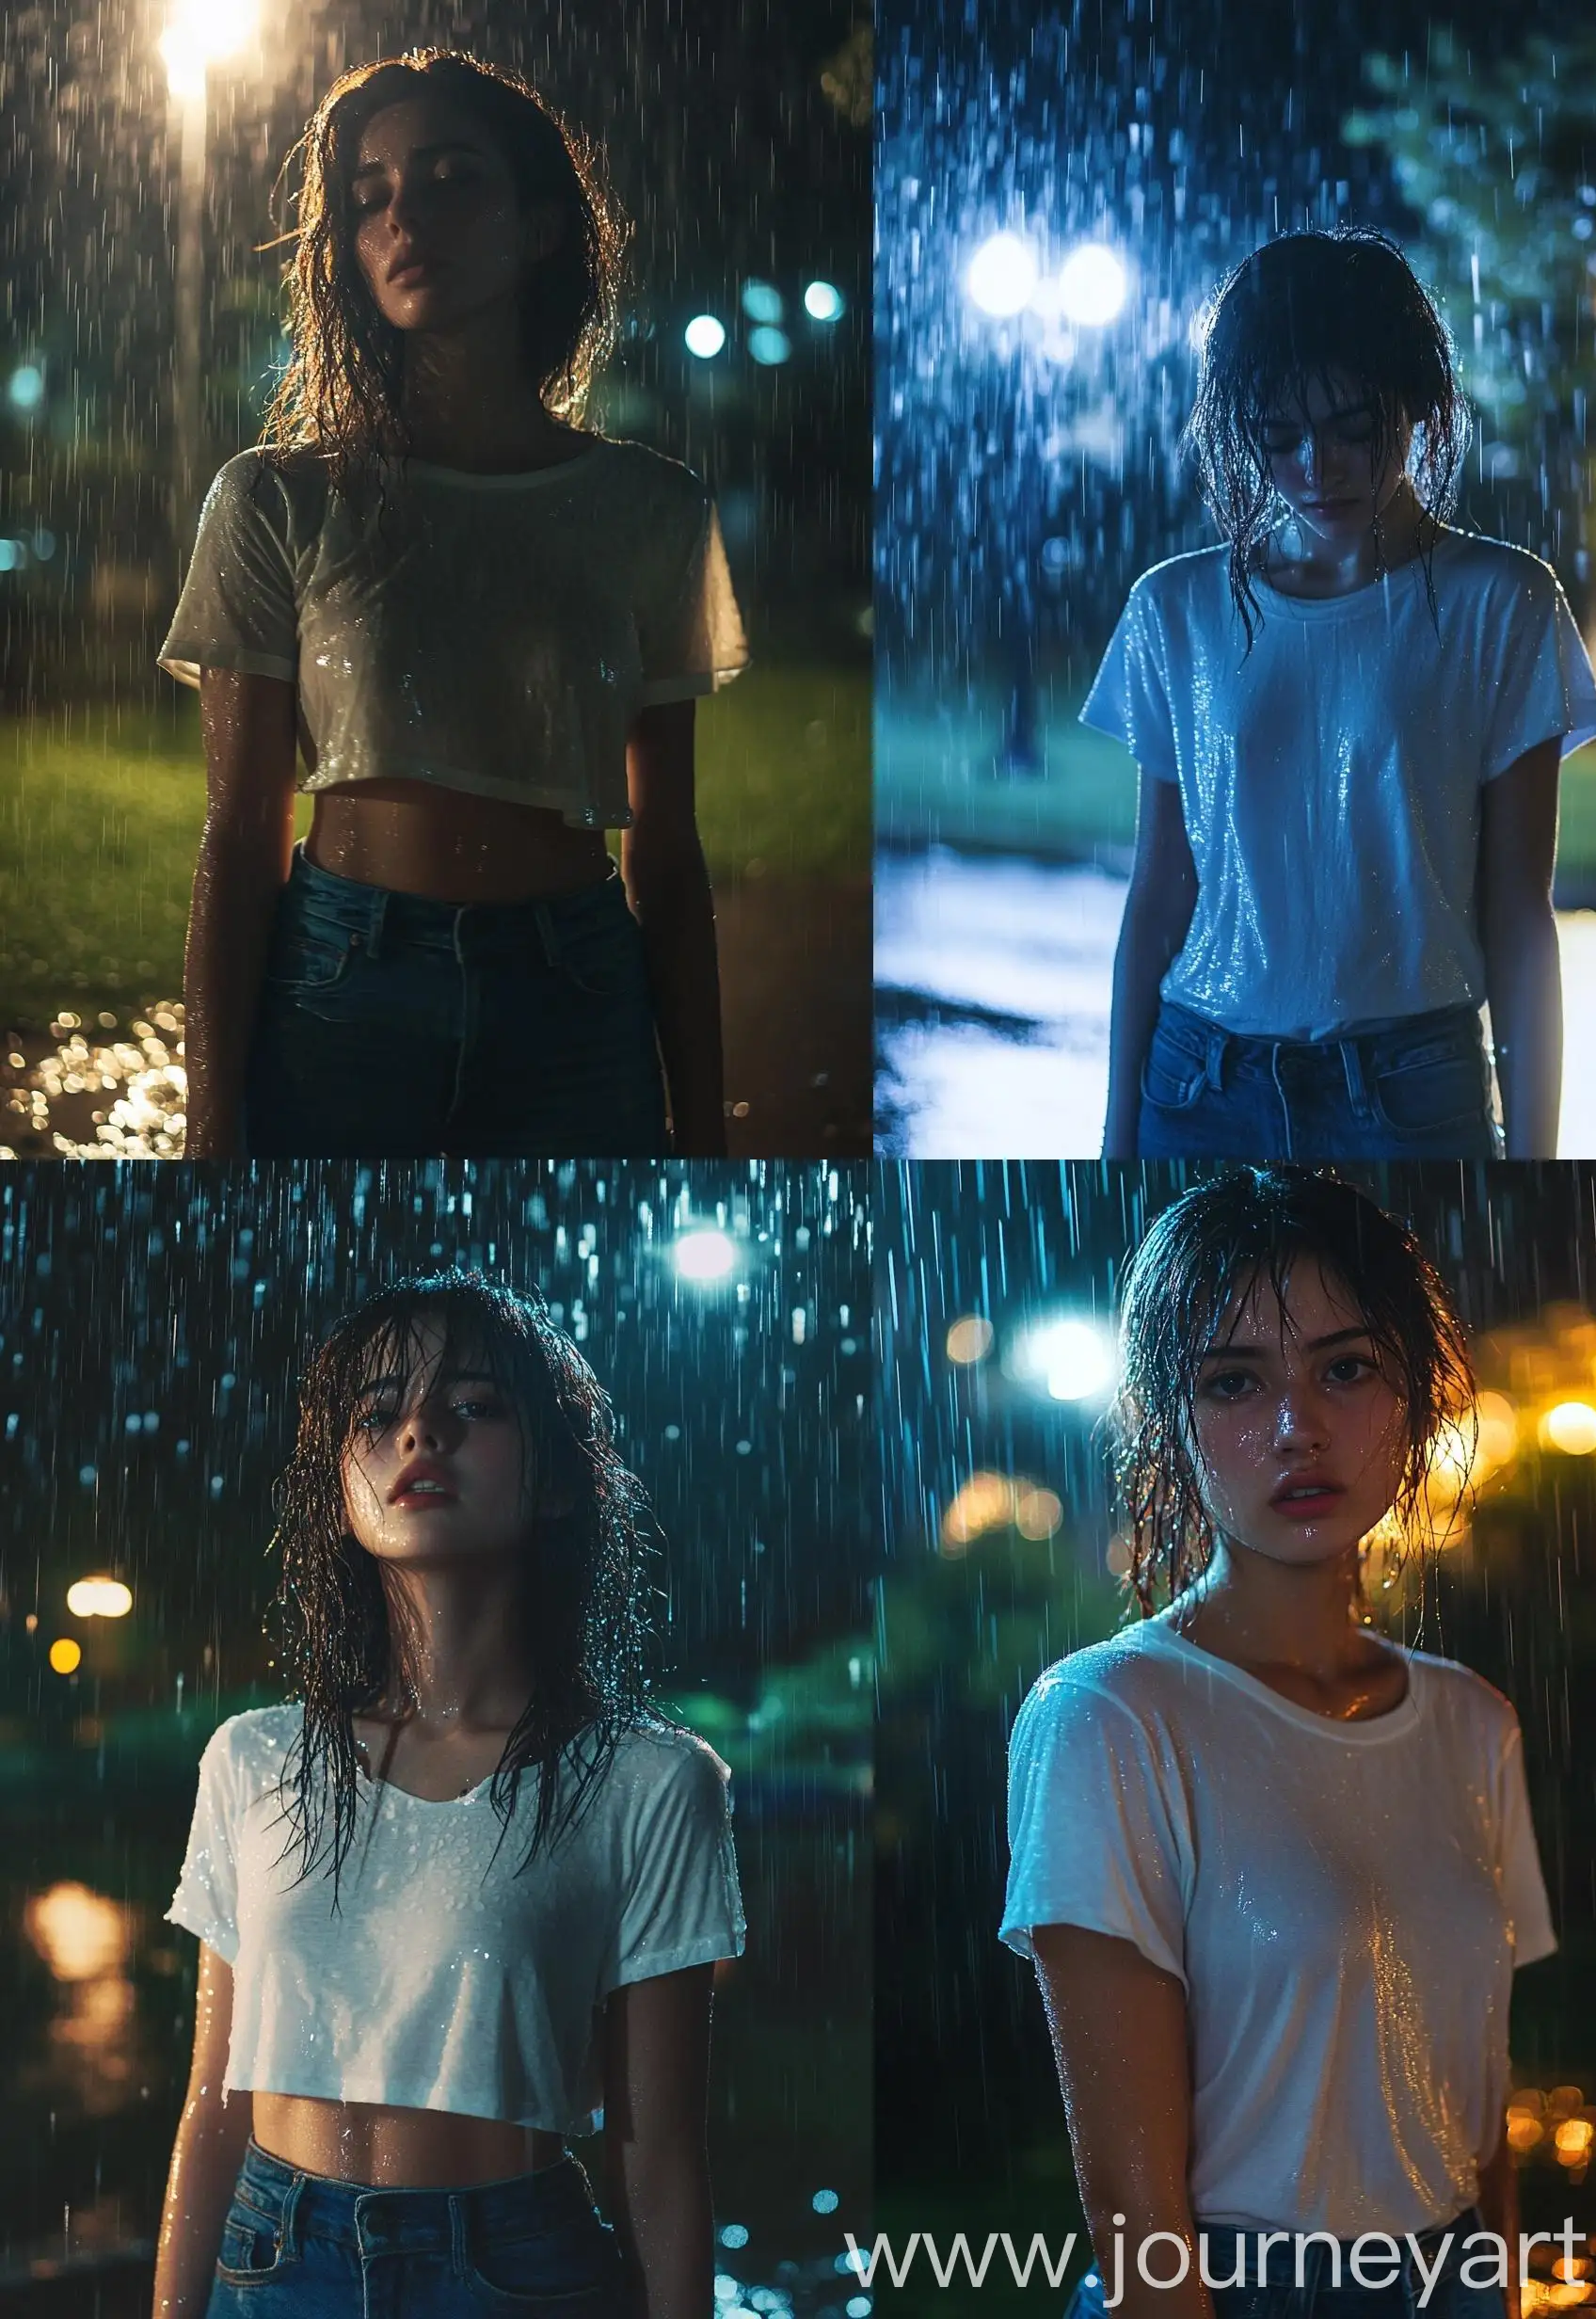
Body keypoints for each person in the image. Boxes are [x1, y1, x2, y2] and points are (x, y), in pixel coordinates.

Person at [157, 49, 750, 1160]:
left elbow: (665, 844)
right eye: (369, 198)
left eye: (449, 179)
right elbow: (241, 838)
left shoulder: (654, 508)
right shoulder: (277, 498)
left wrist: (705, 1133)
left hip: (575, 990)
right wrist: (209, 1130)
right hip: (342, 977)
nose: (402, 220)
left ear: (536, 227)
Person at [1000, 1168, 1557, 2319]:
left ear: (1415, 1393)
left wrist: (1493, 2285)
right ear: (1170, 1418)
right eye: (1233, 1381)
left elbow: (1477, 2094)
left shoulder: (1470, 1721)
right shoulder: (1108, 1714)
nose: (1296, 1427)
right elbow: (1131, 2203)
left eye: (1344, 1367)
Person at [152, 1271, 746, 2319]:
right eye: (378, 1413)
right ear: (340, 1485)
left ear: (558, 1479)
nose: (419, 1433)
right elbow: (212, 2105)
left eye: (473, 1407)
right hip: (270, 2255)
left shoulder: (650, 1779)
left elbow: (659, 2153)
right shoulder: (253, 1759)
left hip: (514, 2267)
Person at [1086, 229, 1596, 1164]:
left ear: (1414, 401)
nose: (1312, 468)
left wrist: (1536, 1165)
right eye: (1276, 436)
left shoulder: (1500, 601)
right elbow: (1155, 901)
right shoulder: (1176, 608)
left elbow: (1519, 916)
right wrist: (1114, 1140)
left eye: (1350, 428)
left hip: (1412, 1086)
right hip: (1199, 1076)